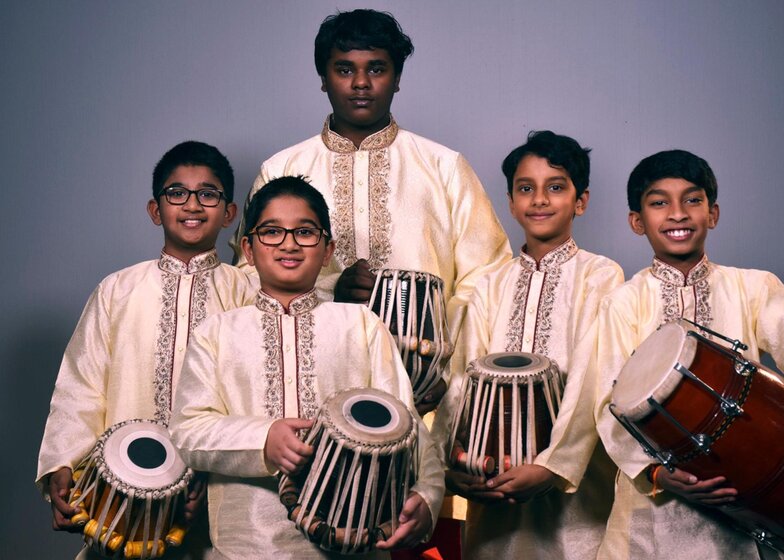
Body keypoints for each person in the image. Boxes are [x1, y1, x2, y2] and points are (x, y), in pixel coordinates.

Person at [231, 9, 511, 414]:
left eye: (376, 69)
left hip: (427, 398)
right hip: (308, 388)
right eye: (344, 69)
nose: (361, 83)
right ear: (323, 78)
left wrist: (441, 372)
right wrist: (329, 291)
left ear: (397, 79)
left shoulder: (443, 166)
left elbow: (487, 282)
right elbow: (244, 279)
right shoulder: (282, 169)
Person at [170, 176, 445, 559]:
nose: (288, 243)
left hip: (353, 543)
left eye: (304, 232)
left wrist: (427, 496)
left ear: (328, 247)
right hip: (245, 548)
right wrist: (264, 439)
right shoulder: (216, 333)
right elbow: (187, 432)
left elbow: (407, 423)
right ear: (247, 248)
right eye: (271, 232)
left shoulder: (361, 325)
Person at [593, 149, 784, 560]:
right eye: (659, 203)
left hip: (748, 499)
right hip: (649, 520)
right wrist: (656, 473)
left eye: (692, 199)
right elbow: (605, 403)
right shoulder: (622, 303)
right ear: (637, 221)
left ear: (714, 213)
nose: (677, 214)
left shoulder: (754, 288)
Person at [36, 141, 258, 559]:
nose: (192, 205)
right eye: (177, 193)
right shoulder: (117, 290)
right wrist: (61, 464)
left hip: (219, 499)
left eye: (208, 194)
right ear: (156, 210)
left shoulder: (247, 292)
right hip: (125, 505)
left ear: (230, 214)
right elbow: (81, 387)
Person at [433, 131, 623, 558]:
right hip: (493, 481)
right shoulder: (490, 284)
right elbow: (463, 377)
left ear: (581, 201)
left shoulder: (601, 276)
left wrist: (553, 466)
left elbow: (594, 379)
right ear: (511, 201)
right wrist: (449, 464)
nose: (539, 200)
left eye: (555, 187)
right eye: (526, 188)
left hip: (576, 490)